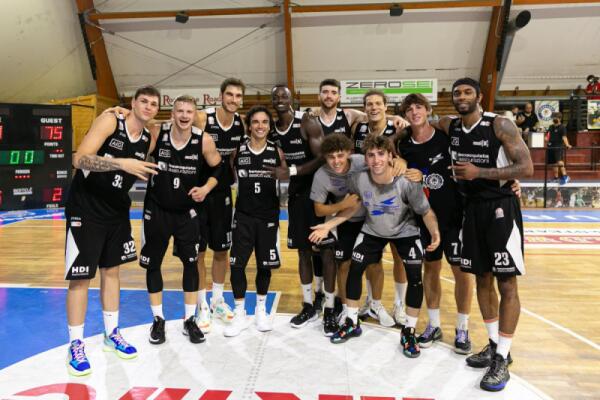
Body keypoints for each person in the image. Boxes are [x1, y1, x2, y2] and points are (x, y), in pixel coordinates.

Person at [439, 77, 533, 392]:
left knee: (506, 282)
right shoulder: (450, 125)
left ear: (479, 96)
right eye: (457, 93)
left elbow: (526, 168)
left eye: (468, 92)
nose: (462, 96)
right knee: (482, 278)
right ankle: (494, 345)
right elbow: (418, 121)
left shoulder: (499, 125)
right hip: (472, 210)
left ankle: (503, 358)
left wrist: (481, 172)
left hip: (501, 208)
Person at [309, 135, 440, 359]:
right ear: (365, 159)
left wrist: (435, 233)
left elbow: (425, 211)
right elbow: (351, 208)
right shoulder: (359, 179)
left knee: (414, 277)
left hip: (405, 231)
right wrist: (328, 226)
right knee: (354, 268)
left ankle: (409, 331)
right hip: (373, 229)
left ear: (390, 156)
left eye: (381, 154)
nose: (376, 159)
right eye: (371, 155)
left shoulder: (407, 181)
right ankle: (352, 321)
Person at [64, 85, 161, 376]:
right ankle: (75, 344)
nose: (148, 107)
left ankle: (112, 333)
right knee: (81, 278)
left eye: (154, 104)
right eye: (143, 101)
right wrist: (120, 163)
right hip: (86, 208)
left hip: (116, 211)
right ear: (132, 103)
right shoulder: (110, 120)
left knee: (111, 272)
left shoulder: (149, 137)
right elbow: (79, 159)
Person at [139, 95, 221, 346]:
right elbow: (136, 144)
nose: (184, 116)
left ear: (195, 115)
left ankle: (190, 319)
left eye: (189, 112)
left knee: (190, 264)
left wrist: (206, 188)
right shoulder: (158, 133)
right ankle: (158, 319)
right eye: (180, 111)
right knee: (153, 264)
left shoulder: (203, 140)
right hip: (157, 210)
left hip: (187, 213)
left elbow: (219, 168)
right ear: (172, 114)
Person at [396, 93, 474, 354]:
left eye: (419, 107)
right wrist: (400, 161)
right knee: (430, 269)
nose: (414, 112)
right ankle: (434, 324)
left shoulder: (445, 136)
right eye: (409, 109)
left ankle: (462, 328)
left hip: (454, 215)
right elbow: (391, 155)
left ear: (428, 110)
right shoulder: (404, 144)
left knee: (461, 271)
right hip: (424, 217)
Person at [268, 84, 331, 329]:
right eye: (276, 96)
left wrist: (292, 171)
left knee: (324, 250)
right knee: (303, 250)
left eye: (284, 96)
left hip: (319, 191)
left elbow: (323, 156)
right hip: (296, 193)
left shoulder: (306, 121)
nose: (280, 99)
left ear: (291, 99)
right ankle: (308, 304)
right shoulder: (272, 129)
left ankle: (326, 301)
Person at [224, 106, 285, 337]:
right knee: (237, 265)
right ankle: (239, 312)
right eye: (256, 122)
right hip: (243, 216)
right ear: (249, 126)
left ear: (270, 126)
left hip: (268, 217)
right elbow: (230, 177)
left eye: (265, 122)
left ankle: (261, 309)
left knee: (264, 265)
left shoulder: (277, 152)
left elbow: (285, 179)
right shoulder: (237, 151)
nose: (260, 126)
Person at [191, 78, 247, 332]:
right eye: (230, 95)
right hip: (198, 192)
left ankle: (216, 300)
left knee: (222, 250)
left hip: (222, 193)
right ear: (221, 96)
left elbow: (233, 156)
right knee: (199, 252)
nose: (234, 99)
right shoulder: (203, 118)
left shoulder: (240, 123)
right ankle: (201, 304)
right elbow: (170, 125)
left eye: (238, 96)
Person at [351, 89, 410, 327]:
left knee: (399, 257)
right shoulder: (359, 128)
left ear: (386, 106)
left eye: (378, 103)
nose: (373, 107)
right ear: (364, 107)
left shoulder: (398, 129)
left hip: (395, 201)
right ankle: (371, 300)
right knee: (371, 256)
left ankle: (400, 304)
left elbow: (407, 158)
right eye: (369, 104)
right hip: (368, 200)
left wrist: (402, 160)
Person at [546, 112, 572, 184]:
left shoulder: (562, 127)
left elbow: (564, 137)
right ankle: (556, 178)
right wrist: (546, 138)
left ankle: (565, 177)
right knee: (554, 163)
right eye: (553, 117)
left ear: (560, 119)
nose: (554, 119)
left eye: (555, 117)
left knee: (559, 161)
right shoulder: (551, 126)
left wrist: (567, 144)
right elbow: (548, 134)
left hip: (558, 146)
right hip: (550, 146)